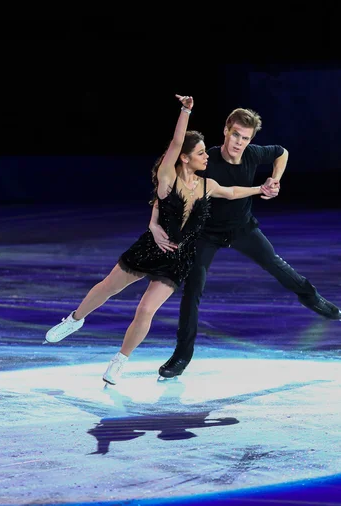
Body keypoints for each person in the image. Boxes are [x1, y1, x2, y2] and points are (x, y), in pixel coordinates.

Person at [43, 95, 279, 385]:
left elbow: (231, 193)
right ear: (185, 157)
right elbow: (177, 142)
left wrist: (261, 188)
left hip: (179, 257)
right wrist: (185, 111)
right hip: (150, 248)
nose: (208, 157)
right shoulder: (167, 176)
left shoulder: (208, 185)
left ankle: (119, 361)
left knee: (146, 309)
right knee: (107, 287)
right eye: (202, 153)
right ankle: (75, 320)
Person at [150, 106, 341, 379]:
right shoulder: (208, 160)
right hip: (205, 234)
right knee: (193, 291)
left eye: (245, 138)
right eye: (235, 135)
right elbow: (172, 186)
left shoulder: (253, 154)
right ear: (226, 131)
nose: (239, 143)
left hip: (242, 228)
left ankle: (313, 299)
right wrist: (155, 222)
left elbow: (282, 152)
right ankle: (181, 356)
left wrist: (275, 180)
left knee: (276, 264)